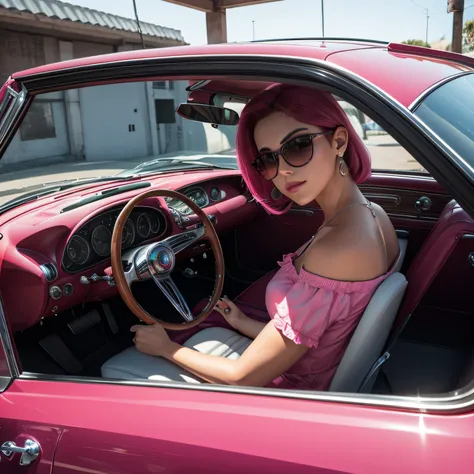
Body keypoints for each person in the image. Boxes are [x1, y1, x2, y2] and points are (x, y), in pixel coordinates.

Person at [130, 84, 400, 391]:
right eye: (268, 160)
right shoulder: (371, 214)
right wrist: (242, 323)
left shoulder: (339, 247)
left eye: (297, 146)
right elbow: (318, 334)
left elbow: (243, 376)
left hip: (292, 395)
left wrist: (166, 348)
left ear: (339, 141)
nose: (282, 171)